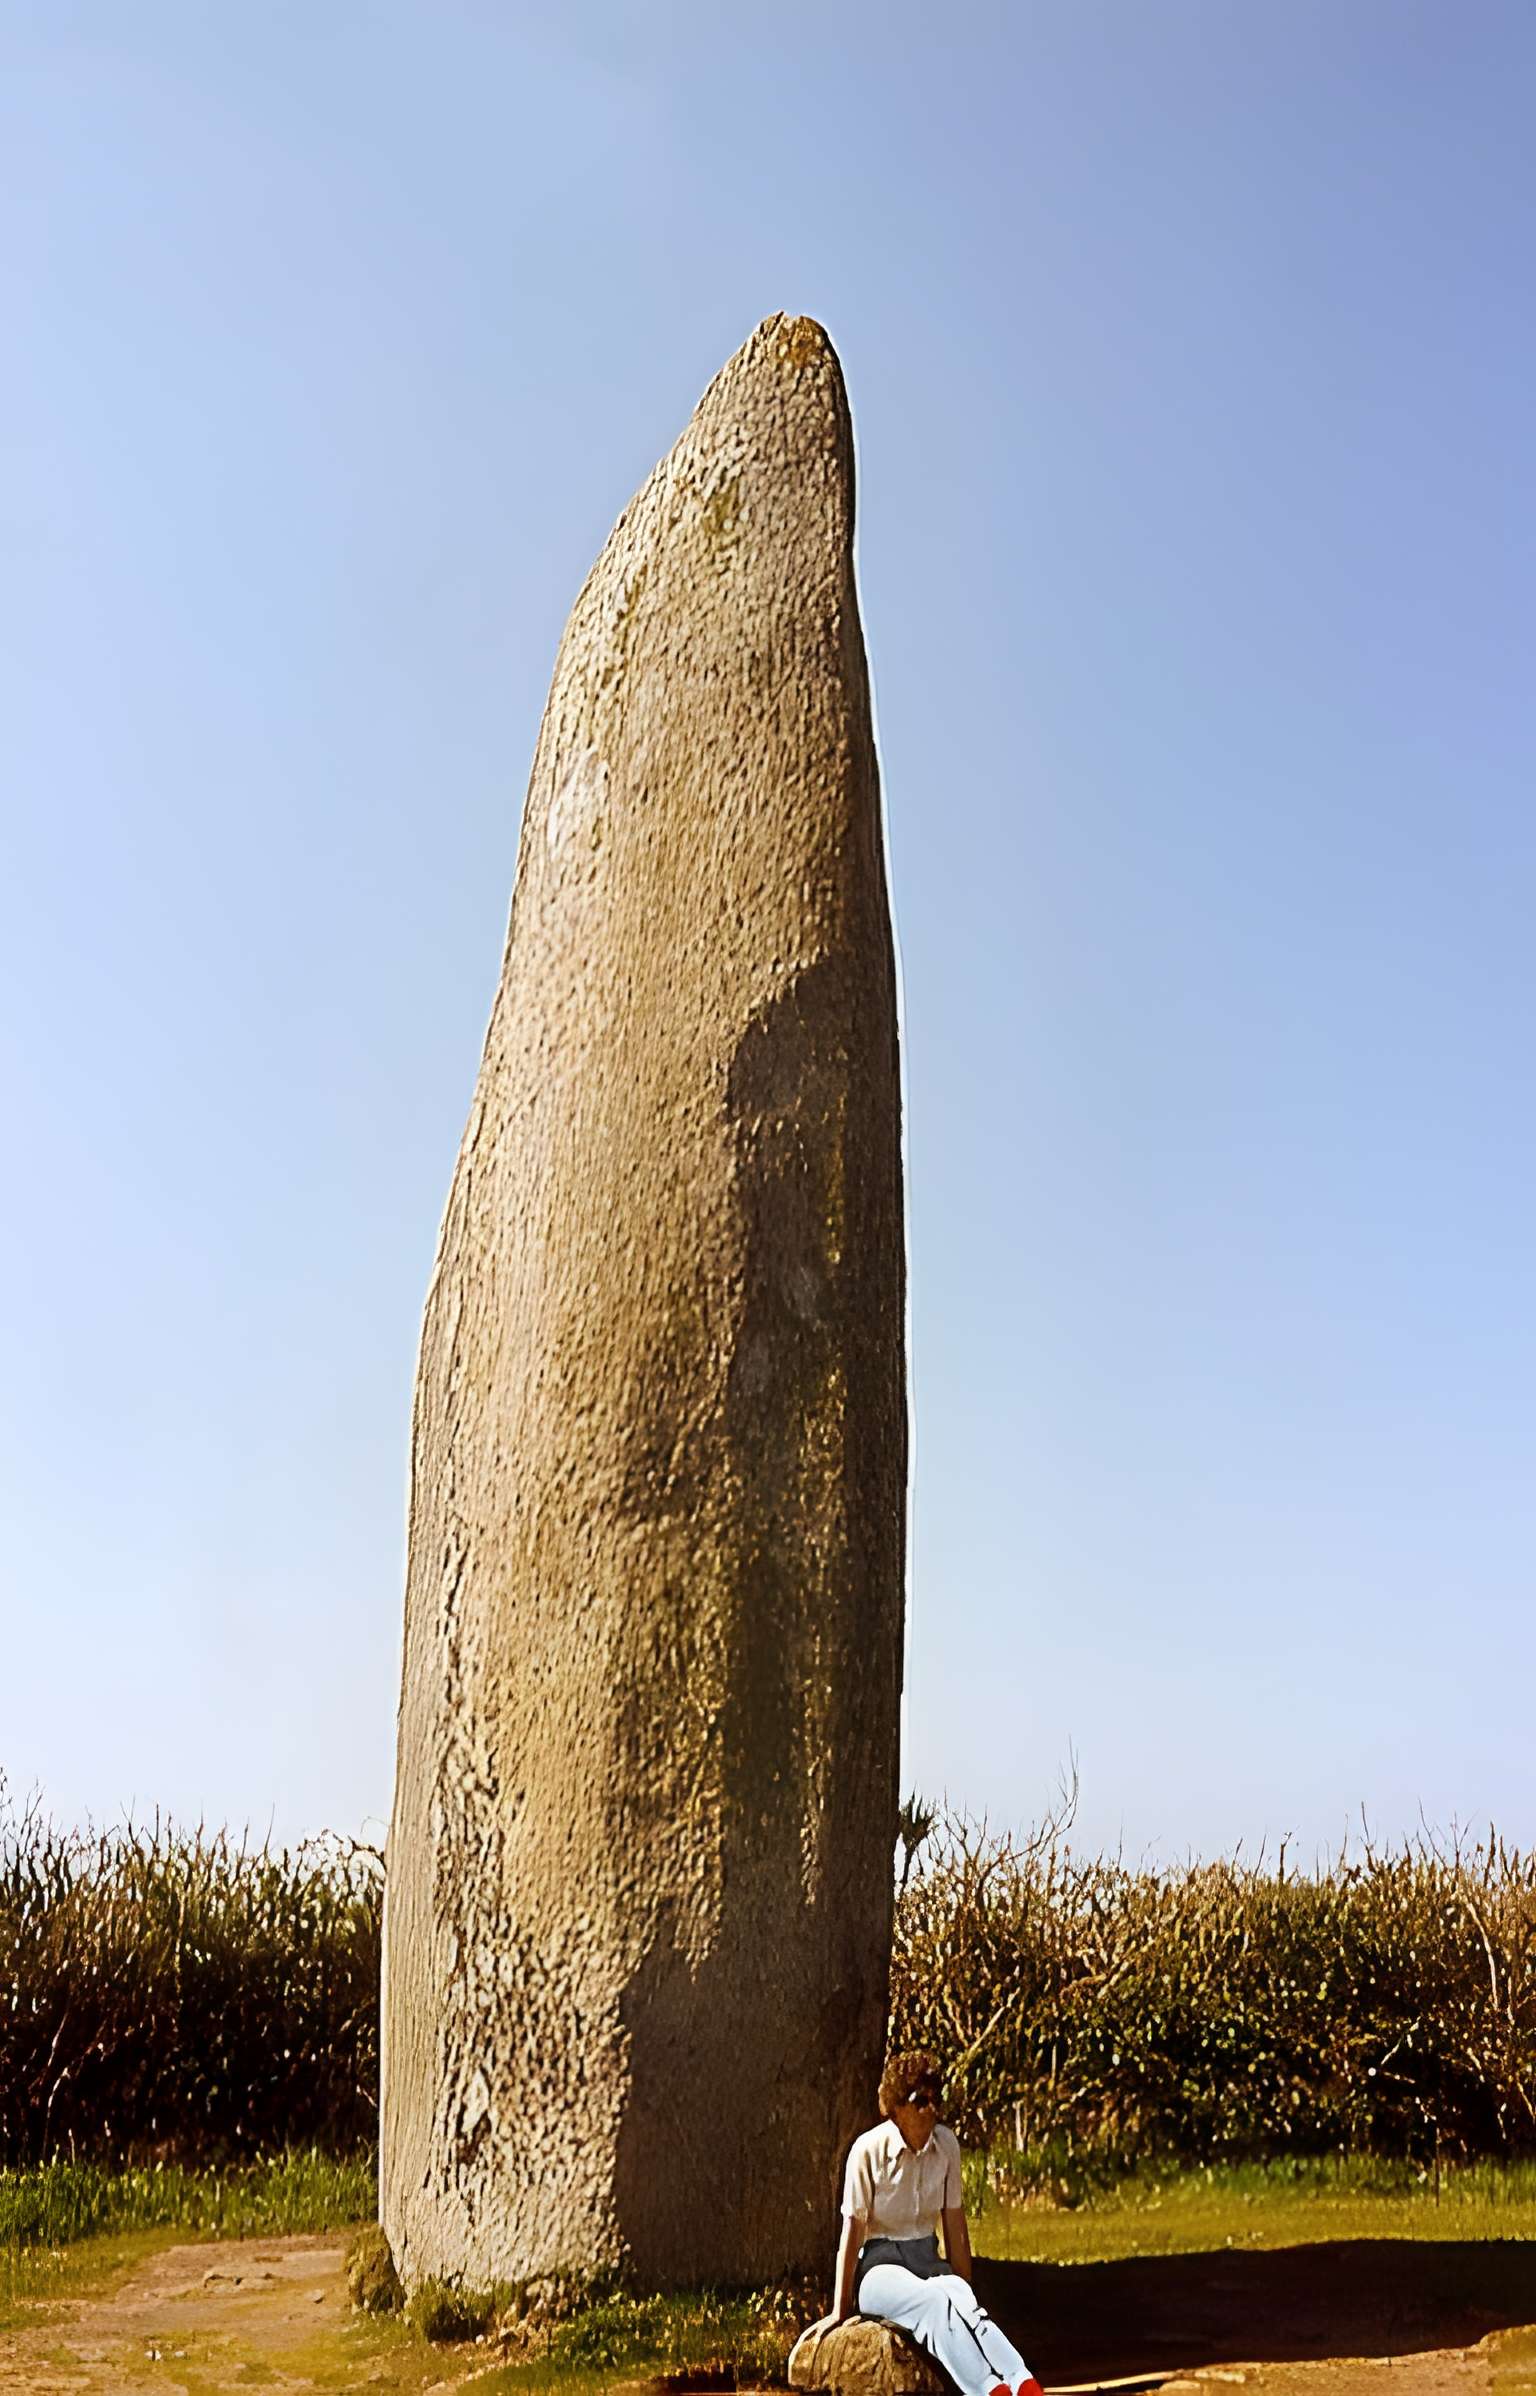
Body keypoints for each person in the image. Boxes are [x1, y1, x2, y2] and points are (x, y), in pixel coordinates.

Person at [833, 2049, 1042, 2396]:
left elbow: (954, 2223)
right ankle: (988, 2390)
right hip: (879, 2269)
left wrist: (965, 2284)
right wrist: (840, 2313)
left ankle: (1021, 2380)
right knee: (932, 2305)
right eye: (921, 2100)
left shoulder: (946, 2145)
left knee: (962, 2301)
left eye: (936, 2099)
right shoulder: (867, 2150)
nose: (932, 2108)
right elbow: (852, 2233)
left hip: (926, 2259)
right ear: (896, 2106)